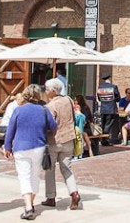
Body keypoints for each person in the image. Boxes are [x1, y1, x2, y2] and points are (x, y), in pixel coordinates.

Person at [4, 83, 57, 220]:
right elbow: (53, 126)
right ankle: (31, 203)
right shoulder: (44, 110)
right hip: (39, 146)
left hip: (21, 146)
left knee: (24, 176)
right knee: (34, 176)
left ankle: (28, 207)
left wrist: (7, 146)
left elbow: (11, 130)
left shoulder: (19, 110)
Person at [41, 79, 82, 210]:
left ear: (53, 91)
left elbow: (48, 124)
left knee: (49, 169)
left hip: (54, 141)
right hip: (69, 139)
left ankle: (51, 197)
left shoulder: (50, 106)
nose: (46, 92)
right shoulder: (68, 100)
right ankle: (74, 193)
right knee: (67, 168)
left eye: (47, 89)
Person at [96, 74, 120, 145]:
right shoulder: (113, 87)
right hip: (111, 109)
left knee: (103, 124)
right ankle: (105, 140)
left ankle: (103, 139)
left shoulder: (100, 87)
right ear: (110, 78)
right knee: (109, 124)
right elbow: (118, 98)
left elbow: (99, 98)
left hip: (103, 109)